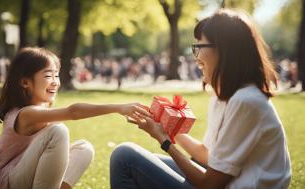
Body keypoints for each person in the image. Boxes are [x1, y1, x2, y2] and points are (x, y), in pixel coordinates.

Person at [110, 9, 291, 189]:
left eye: (200, 46)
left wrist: (164, 140)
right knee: (133, 158)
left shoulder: (246, 101)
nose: (196, 56)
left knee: (125, 157)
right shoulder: (224, 97)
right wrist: (166, 125)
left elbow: (209, 184)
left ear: (224, 50)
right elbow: (206, 156)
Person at [0, 47, 151, 189]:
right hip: (5, 182)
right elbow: (73, 112)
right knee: (58, 131)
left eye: (56, 75)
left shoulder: (41, 109)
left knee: (83, 148)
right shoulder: (25, 114)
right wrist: (118, 108)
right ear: (25, 82)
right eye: (48, 75)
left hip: (22, 175)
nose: (55, 82)